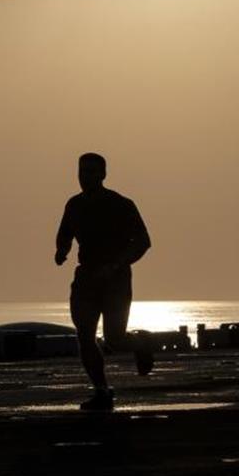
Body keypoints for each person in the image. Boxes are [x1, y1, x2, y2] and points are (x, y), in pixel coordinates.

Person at [56, 153, 154, 411]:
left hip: (116, 279)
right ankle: (101, 391)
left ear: (102, 174)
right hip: (86, 277)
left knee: (114, 339)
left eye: (90, 171)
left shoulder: (121, 204)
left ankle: (141, 343)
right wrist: (61, 251)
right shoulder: (74, 205)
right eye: (81, 171)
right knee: (85, 336)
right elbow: (64, 233)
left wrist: (117, 265)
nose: (84, 176)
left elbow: (143, 241)